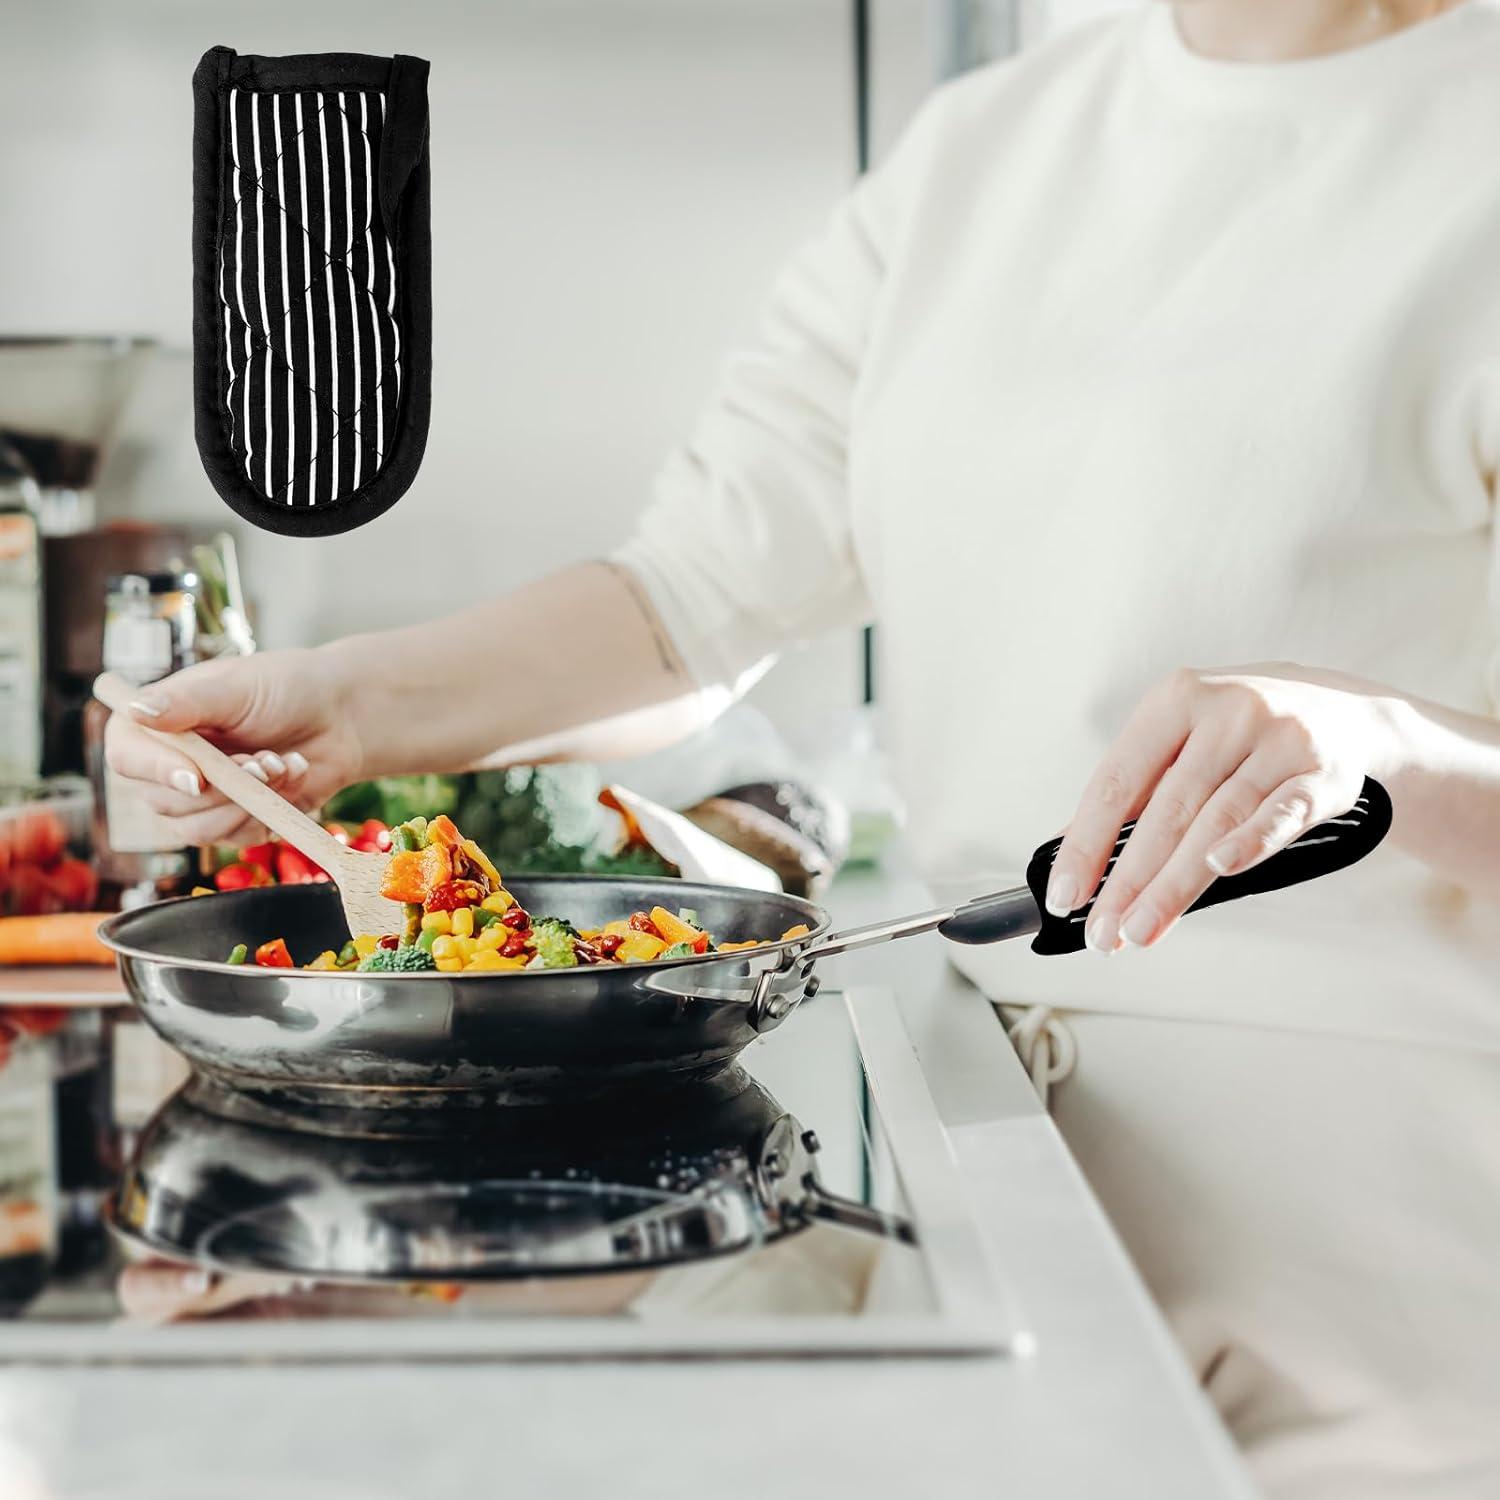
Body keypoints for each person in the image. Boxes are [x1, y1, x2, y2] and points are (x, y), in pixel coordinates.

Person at [108, 0, 1500, 1492]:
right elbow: (692, 598)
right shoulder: (982, 150)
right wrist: (342, 708)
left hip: (1390, 1269)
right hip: (993, 1191)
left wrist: (1390, 749)